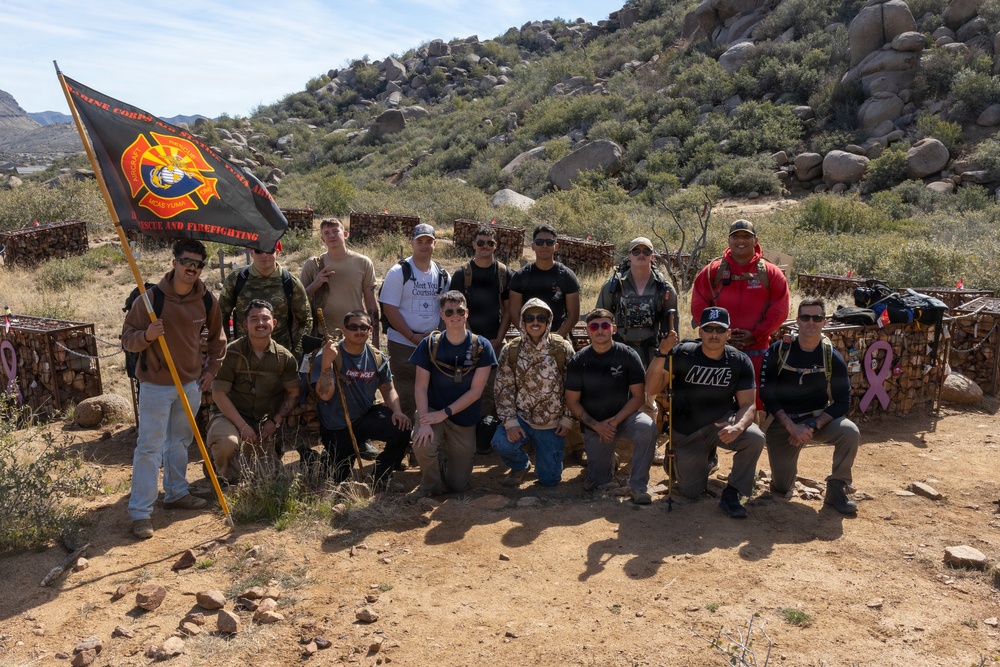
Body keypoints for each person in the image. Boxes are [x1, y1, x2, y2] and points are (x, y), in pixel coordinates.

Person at [121, 239, 226, 540]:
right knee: (149, 448)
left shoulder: (206, 300)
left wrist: (212, 371)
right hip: (155, 384)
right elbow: (128, 339)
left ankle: (177, 493)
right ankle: (141, 513)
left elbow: (218, 341)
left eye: (198, 264)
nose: (192, 268)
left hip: (190, 383)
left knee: (179, 441)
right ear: (174, 262)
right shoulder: (150, 299)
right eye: (187, 262)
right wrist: (148, 336)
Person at [645, 306, 765, 518]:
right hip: (686, 431)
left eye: (720, 330)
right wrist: (662, 352)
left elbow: (748, 404)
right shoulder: (683, 353)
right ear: (700, 331)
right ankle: (696, 459)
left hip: (720, 424)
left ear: (728, 334)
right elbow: (651, 388)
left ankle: (733, 494)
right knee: (691, 492)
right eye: (708, 329)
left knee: (754, 437)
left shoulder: (739, 361)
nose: (714, 334)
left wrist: (737, 426)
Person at [760, 297, 860, 514]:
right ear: (797, 321)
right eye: (805, 317)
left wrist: (812, 425)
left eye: (817, 317)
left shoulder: (831, 356)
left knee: (849, 432)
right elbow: (767, 393)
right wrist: (792, 427)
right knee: (782, 486)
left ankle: (836, 489)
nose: (811, 322)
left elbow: (843, 401)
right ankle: (784, 479)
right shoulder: (779, 351)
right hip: (783, 423)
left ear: (824, 322)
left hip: (815, 420)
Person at [409, 291, 497, 498]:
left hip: (463, 417)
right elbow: (420, 387)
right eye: (449, 311)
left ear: (467, 313)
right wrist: (424, 421)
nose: (454, 316)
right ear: (442, 315)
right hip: (433, 410)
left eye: (459, 311)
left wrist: (446, 412)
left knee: (458, 485)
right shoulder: (429, 345)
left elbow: (476, 392)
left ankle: (447, 464)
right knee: (423, 441)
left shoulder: (482, 346)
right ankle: (431, 484)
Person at [565, 309, 657, 504]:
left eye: (605, 325)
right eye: (594, 326)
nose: (600, 330)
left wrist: (614, 421)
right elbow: (572, 401)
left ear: (613, 329)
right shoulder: (578, 361)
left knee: (647, 427)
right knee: (600, 481)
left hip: (624, 418)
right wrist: (597, 426)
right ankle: (610, 460)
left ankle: (638, 486)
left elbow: (639, 396)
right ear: (588, 331)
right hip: (594, 424)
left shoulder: (628, 355)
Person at [312, 310, 412, 487]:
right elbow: (325, 394)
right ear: (344, 329)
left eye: (363, 327)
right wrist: (327, 363)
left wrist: (397, 411)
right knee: (337, 478)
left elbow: (388, 388)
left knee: (401, 427)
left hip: (364, 417)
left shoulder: (376, 357)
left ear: (370, 330)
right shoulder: (329, 355)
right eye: (353, 327)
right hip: (337, 424)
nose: (359, 331)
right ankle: (319, 459)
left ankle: (381, 477)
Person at [690, 219, 790, 392]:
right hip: (718, 352)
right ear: (729, 241)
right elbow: (699, 306)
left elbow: (780, 310)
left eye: (746, 236)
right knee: (717, 401)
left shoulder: (771, 273)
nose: (741, 241)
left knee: (755, 403)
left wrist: (755, 335)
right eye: (736, 236)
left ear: (756, 240)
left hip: (757, 352)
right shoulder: (711, 272)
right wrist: (721, 335)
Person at [208, 299, 300, 484]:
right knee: (228, 444)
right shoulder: (231, 353)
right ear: (245, 324)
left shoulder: (284, 358)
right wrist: (242, 426)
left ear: (273, 323)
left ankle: (230, 466)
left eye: (265, 318)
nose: (260, 323)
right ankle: (226, 481)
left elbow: (293, 392)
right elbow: (219, 394)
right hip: (228, 417)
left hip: (262, 423)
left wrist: (275, 422)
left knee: (267, 475)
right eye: (254, 319)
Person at [491, 298, 576, 487]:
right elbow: (503, 389)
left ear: (548, 321)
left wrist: (568, 418)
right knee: (500, 443)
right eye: (530, 318)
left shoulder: (562, 348)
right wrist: (510, 422)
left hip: (552, 424)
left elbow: (574, 386)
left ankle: (546, 463)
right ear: (523, 321)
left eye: (540, 318)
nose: (535, 322)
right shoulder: (511, 350)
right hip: (522, 420)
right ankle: (521, 465)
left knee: (550, 480)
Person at [379, 223, 450, 420]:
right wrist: (412, 336)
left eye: (429, 241)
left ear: (435, 243)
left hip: (431, 343)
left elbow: (446, 310)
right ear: (412, 243)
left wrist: (438, 338)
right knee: (405, 392)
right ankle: (403, 437)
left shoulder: (443, 275)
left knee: (432, 390)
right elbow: (389, 309)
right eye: (420, 241)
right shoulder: (398, 272)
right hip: (403, 343)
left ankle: (426, 436)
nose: (424, 245)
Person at [450, 224, 513, 429]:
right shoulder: (462, 274)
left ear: (495, 246)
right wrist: (473, 339)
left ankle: (485, 430)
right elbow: (457, 311)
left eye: (489, 243)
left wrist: (498, 338)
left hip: (496, 342)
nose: (485, 246)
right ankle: (467, 428)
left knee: (493, 388)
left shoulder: (504, 274)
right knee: (466, 385)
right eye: (481, 242)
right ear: (473, 244)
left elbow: (508, 309)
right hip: (467, 341)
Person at [596, 237, 678, 368]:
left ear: (652, 256)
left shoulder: (664, 288)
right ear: (629, 255)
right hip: (618, 353)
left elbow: (673, 328)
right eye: (636, 251)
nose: (641, 254)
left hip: (653, 355)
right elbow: (599, 321)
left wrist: (667, 359)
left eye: (646, 251)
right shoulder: (613, 286)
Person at [218, 242, 312, 356]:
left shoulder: (290, 282)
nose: (264, 255)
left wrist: (296, 354)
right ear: (251, 253)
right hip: (243, 356)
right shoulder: (236, 279)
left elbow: (306, 319)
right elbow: (221, 315)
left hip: (279, 357)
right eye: (258, 250)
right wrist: (226, 347)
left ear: (277, 252)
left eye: (269, 250)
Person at [300, 217, 379, 344]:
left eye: (335, 231)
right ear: (322, 239)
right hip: (322, 334)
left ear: (345, 234)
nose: (331, 235)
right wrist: (316, 284)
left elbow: (371, 303)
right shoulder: (313, 264)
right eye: (326, 233)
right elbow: (299, 299)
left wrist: (375, 340)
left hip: (355, 332)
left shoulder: (363, 262)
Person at [508, 224, 581, 339]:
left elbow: (573, 315)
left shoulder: (567, 276)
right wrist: (528, 337)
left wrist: (556, 339)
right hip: (528, 339)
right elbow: (514, 313)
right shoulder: (521, 276)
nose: (544, 246)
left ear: (556, 246)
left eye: (549, 242)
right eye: (539, 242)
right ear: (533, 246)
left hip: (558, 339)